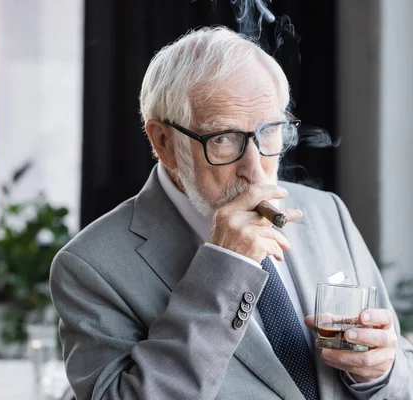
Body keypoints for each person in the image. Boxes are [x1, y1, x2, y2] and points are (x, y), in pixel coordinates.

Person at [49, 26, 413, 399]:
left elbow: (402, 368)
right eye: (223, 138)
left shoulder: (326, 212)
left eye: (270, 130)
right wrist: (223, 270)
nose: (255, 171)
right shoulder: (90, 266)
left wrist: (381, 371)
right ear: (163, 142)